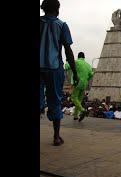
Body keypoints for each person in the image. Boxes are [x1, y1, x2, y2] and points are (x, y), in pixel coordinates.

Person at [40, 0, 79, 146]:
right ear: (57, 9)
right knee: (55, 101)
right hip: (54, 68)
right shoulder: (61, 25)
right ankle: (56, 137)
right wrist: (74, 73)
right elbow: (68, 51)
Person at [65, 52, 94, 122]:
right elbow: (91, 74)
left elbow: (66, 68)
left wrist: (67, 62)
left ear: (78, 56)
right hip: (84, 84)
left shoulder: (76, 62)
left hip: (76, 83)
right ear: (84, 57)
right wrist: (86, 79)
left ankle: (82, 110)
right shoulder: (88, 65)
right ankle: (75, 116)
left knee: (74, 98)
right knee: (79, 100)